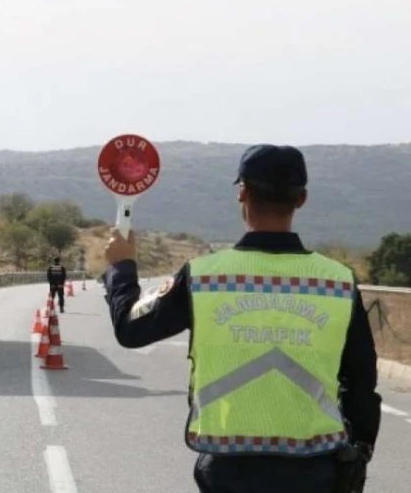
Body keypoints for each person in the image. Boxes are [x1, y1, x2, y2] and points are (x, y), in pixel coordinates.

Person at [101, 144, 381, 493]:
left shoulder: (204, 276)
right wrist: (361, 451)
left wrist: (121, 267)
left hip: (228, 469)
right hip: (317, 469)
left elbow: (130, 328)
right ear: (302, 199)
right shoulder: (338, 281)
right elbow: (362, 381)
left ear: (242, 193)